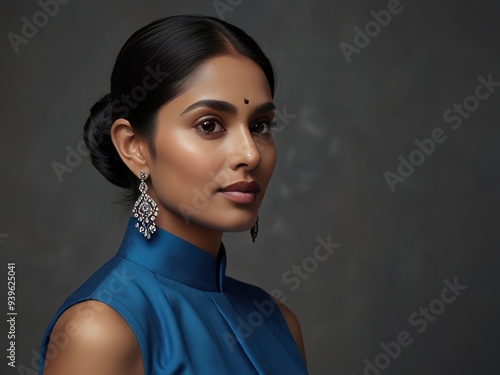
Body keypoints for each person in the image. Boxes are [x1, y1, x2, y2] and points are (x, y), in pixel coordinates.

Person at [38, 15, 308, 375]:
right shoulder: (99, 330)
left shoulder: (278, 321)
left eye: (259, 126)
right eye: (209, 125)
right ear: (134, 147)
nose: (250, 154)